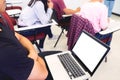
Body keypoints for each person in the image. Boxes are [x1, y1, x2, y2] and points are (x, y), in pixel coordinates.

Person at [0, 0, 48, 79]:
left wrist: (32, 52)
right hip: (34, 69)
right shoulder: (3, 48)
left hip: (28, 59)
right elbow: (42, 74)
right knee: (46, 28)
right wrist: (35, 56)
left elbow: (20, 37)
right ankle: (42, 45)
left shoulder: (1, 25)